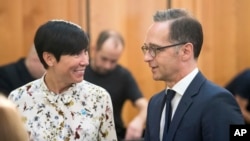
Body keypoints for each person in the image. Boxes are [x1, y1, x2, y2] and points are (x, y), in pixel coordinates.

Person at [141, 8, 244, 141]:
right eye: (146, 49)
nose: (147, 57)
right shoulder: (155, 103)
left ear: (186, 51)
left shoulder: (218, 102)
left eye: (155, 49)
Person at [8, 20, 117, 141]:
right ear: (49, 58)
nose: (85, 61)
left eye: (85, 52)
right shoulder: (18, 99)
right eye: (76, 54)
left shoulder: (99, 98)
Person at [84, 30, 148, 141]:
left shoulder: (123, 76)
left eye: (113, 61)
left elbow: (144, 105)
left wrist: (139, 120)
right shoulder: (80, 72)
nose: (108, 66)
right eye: (104, 59)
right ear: (94, 50)